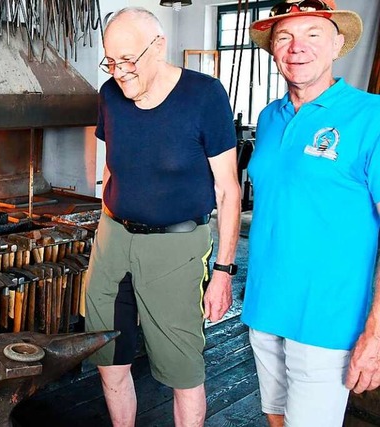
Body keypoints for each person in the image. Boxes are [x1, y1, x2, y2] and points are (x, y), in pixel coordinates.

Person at [84, 7, 241, 427]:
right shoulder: (109, 94)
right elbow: (112, 165)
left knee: (182, 369)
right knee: (107, 355)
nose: (120, 71)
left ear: (159, 46)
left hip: (176, 247)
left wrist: (223, 271)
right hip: (112, 240)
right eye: (111, 61)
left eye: (129, 60)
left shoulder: (205, 95)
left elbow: (228, 190)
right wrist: (107, 217)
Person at [242, 1, 380, 426]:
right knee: (276, 417)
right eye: (284, 37)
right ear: (273, 49)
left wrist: (376, 332)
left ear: (338, 44)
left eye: (312, 35)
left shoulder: (371, 116)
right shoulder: (269, 116)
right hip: (265, 306)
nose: (296, 47)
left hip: (329, 318)